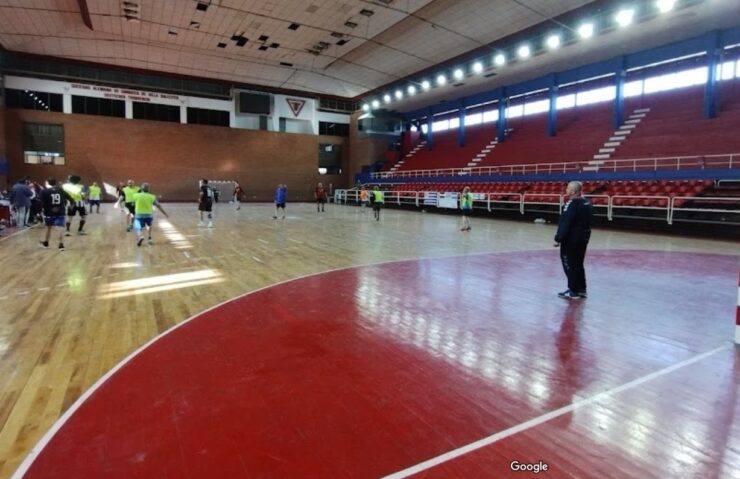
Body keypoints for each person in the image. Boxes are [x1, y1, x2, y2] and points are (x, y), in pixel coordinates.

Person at [554, 181, 593, 300]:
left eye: (568, 188)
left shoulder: (571, 204)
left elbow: (566, 223)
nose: (566, 190)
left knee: (569, 264)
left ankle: (573, 290)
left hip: (571, 239)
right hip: (583, 238)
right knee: (578, 264)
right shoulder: (587, 203)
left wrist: (558, 238)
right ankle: (582, 289)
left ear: (574, 191)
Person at [39, 177, 72, 251]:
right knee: (60, 228)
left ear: (47, 182)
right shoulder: (61, 190)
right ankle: (61, 245)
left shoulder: (44, 191)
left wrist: (40, 211)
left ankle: (46, 243)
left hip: (48, 212)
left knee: (48, 227)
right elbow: (70, 198)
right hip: (60, 211)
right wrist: (71, 206)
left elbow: (41, 202)